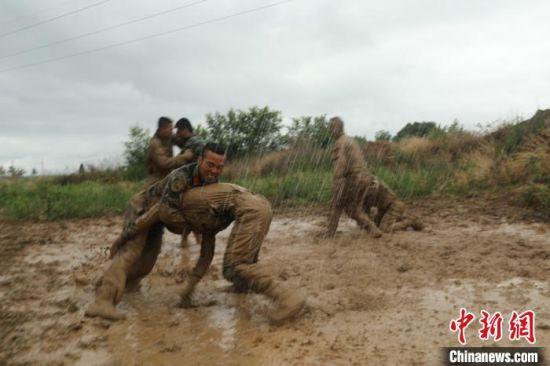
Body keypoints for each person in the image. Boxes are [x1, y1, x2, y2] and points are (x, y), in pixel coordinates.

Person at [85, 143, 226, 320]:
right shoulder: (182, 177)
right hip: (144, 208)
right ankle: (102, 301)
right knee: (131, 251)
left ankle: (108, 282)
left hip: (158, 218)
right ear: (200, 161)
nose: (214, 171)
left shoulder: (212, 185)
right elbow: (162, 211)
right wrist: (125, 236)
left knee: (146, 264)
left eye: (219, 167)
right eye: (210, 165)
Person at [177, 183, 307, 324]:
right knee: (244, 260)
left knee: (235, 264)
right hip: (260, 206)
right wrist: (189, 290)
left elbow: (206, 254)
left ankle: (288, 297)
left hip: (252, 212)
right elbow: (207, 250)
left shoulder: (191, 207)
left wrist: (188, 291)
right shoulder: (198, 196)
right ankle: (242, 286)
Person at [325, 116, 422, 238]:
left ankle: (331, 234)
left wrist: (337, 182)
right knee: (353, 209)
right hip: (363, 177)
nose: (329, 131)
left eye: (330, 128)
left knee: (342, 205)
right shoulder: (351, 140)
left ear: (336, 128)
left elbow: (340, 166)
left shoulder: (340, 143)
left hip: (355, 178)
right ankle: (371, 229)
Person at [146, 117, 192, 186]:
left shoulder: (169, 137)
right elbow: (164, 163)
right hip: (156, 180)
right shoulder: (155, 143)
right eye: (170, 129)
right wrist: (184, 156)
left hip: (168, 176)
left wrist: (189, 134)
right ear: (163, 129)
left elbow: (183, 142)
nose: (172, 131)